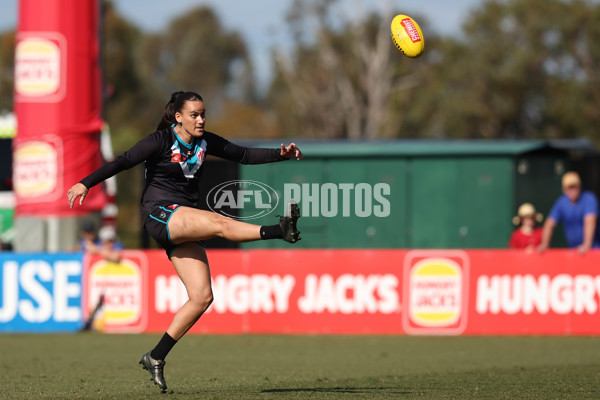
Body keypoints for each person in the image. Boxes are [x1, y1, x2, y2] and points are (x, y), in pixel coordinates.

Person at [66, 91, 303, 392]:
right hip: (160, 213)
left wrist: (279, 155)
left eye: (203, 114)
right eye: (194, 115)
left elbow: (243, 154)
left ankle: (156, 356)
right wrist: (86, 183)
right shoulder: (160, 141)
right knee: (218, 222)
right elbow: (124, 161)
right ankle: (278, 231)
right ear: (178, 117)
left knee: (202, 296)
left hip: (181, 221)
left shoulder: (205, 142)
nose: (201, 119)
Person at [538, 171, 600, 254]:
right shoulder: (561, 202)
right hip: (574, 251)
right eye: (570, 187)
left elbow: (590, 221)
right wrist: (544, 244)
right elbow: (549, 224)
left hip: (593, 251)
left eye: (575, 187)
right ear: (564, 189)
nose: (573, 190)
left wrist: (586, 245)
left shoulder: (589, 199)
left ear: (580, 187)